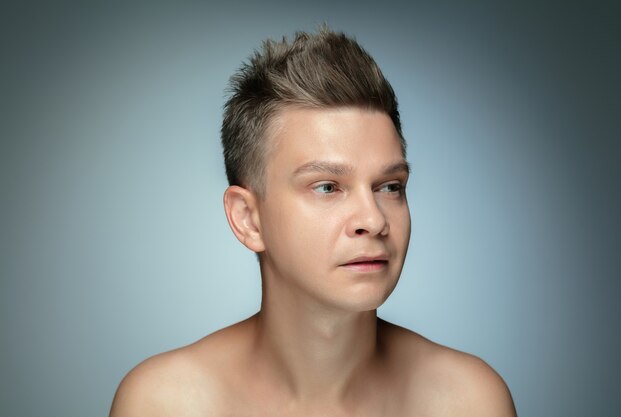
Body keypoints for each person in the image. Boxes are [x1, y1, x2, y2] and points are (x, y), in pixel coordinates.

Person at [109, 27, 516, 417]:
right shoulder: (165, 405)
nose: (373, 220)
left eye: (390, 186)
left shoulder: (466, 402)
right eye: (327, 187)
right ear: (248, 219)